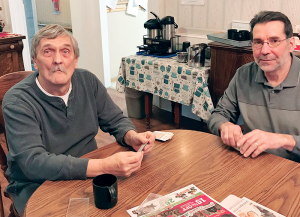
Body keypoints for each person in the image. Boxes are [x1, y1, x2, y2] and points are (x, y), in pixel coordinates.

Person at [2, 24, 156, 215]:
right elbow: (33, 163)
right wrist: (104, 166)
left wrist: (131, 136)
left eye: (65, 52)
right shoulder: (17, 101)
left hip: (88, 170)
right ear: (35, 60)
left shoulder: (87, 81)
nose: (58, 60)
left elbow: (115, 119)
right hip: (37, 184)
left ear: (75, 60)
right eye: (48, 52)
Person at [207, 11, 300, 163]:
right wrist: (224, 126)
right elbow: (218, 115)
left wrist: (284, 140)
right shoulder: (243, 74)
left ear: (291, 45)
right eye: (258, 42)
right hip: (251, 164)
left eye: (274, 40)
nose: (264, 51)